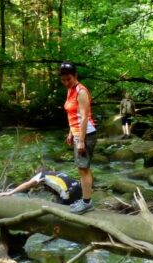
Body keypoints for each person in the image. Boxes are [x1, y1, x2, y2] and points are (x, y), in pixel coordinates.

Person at [59, 62, 96, 214]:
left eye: (69, 79)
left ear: (75, 76)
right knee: (82, 169)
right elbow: (72, 114)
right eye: (63, 80)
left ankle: (87, 203)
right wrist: (70, 133)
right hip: (77, 133)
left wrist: (80, 140)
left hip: (86, 134)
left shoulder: (81, 91)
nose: (66, 82)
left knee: (84, 169)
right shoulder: (70, 90)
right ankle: (85, 199)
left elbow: (85, 117)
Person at [0, 167, 83, 205]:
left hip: (68, 193)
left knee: (59, 211)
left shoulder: (41, 175)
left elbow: (27, 184)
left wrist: (11, 192)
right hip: (79, 189)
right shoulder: (55, 173)